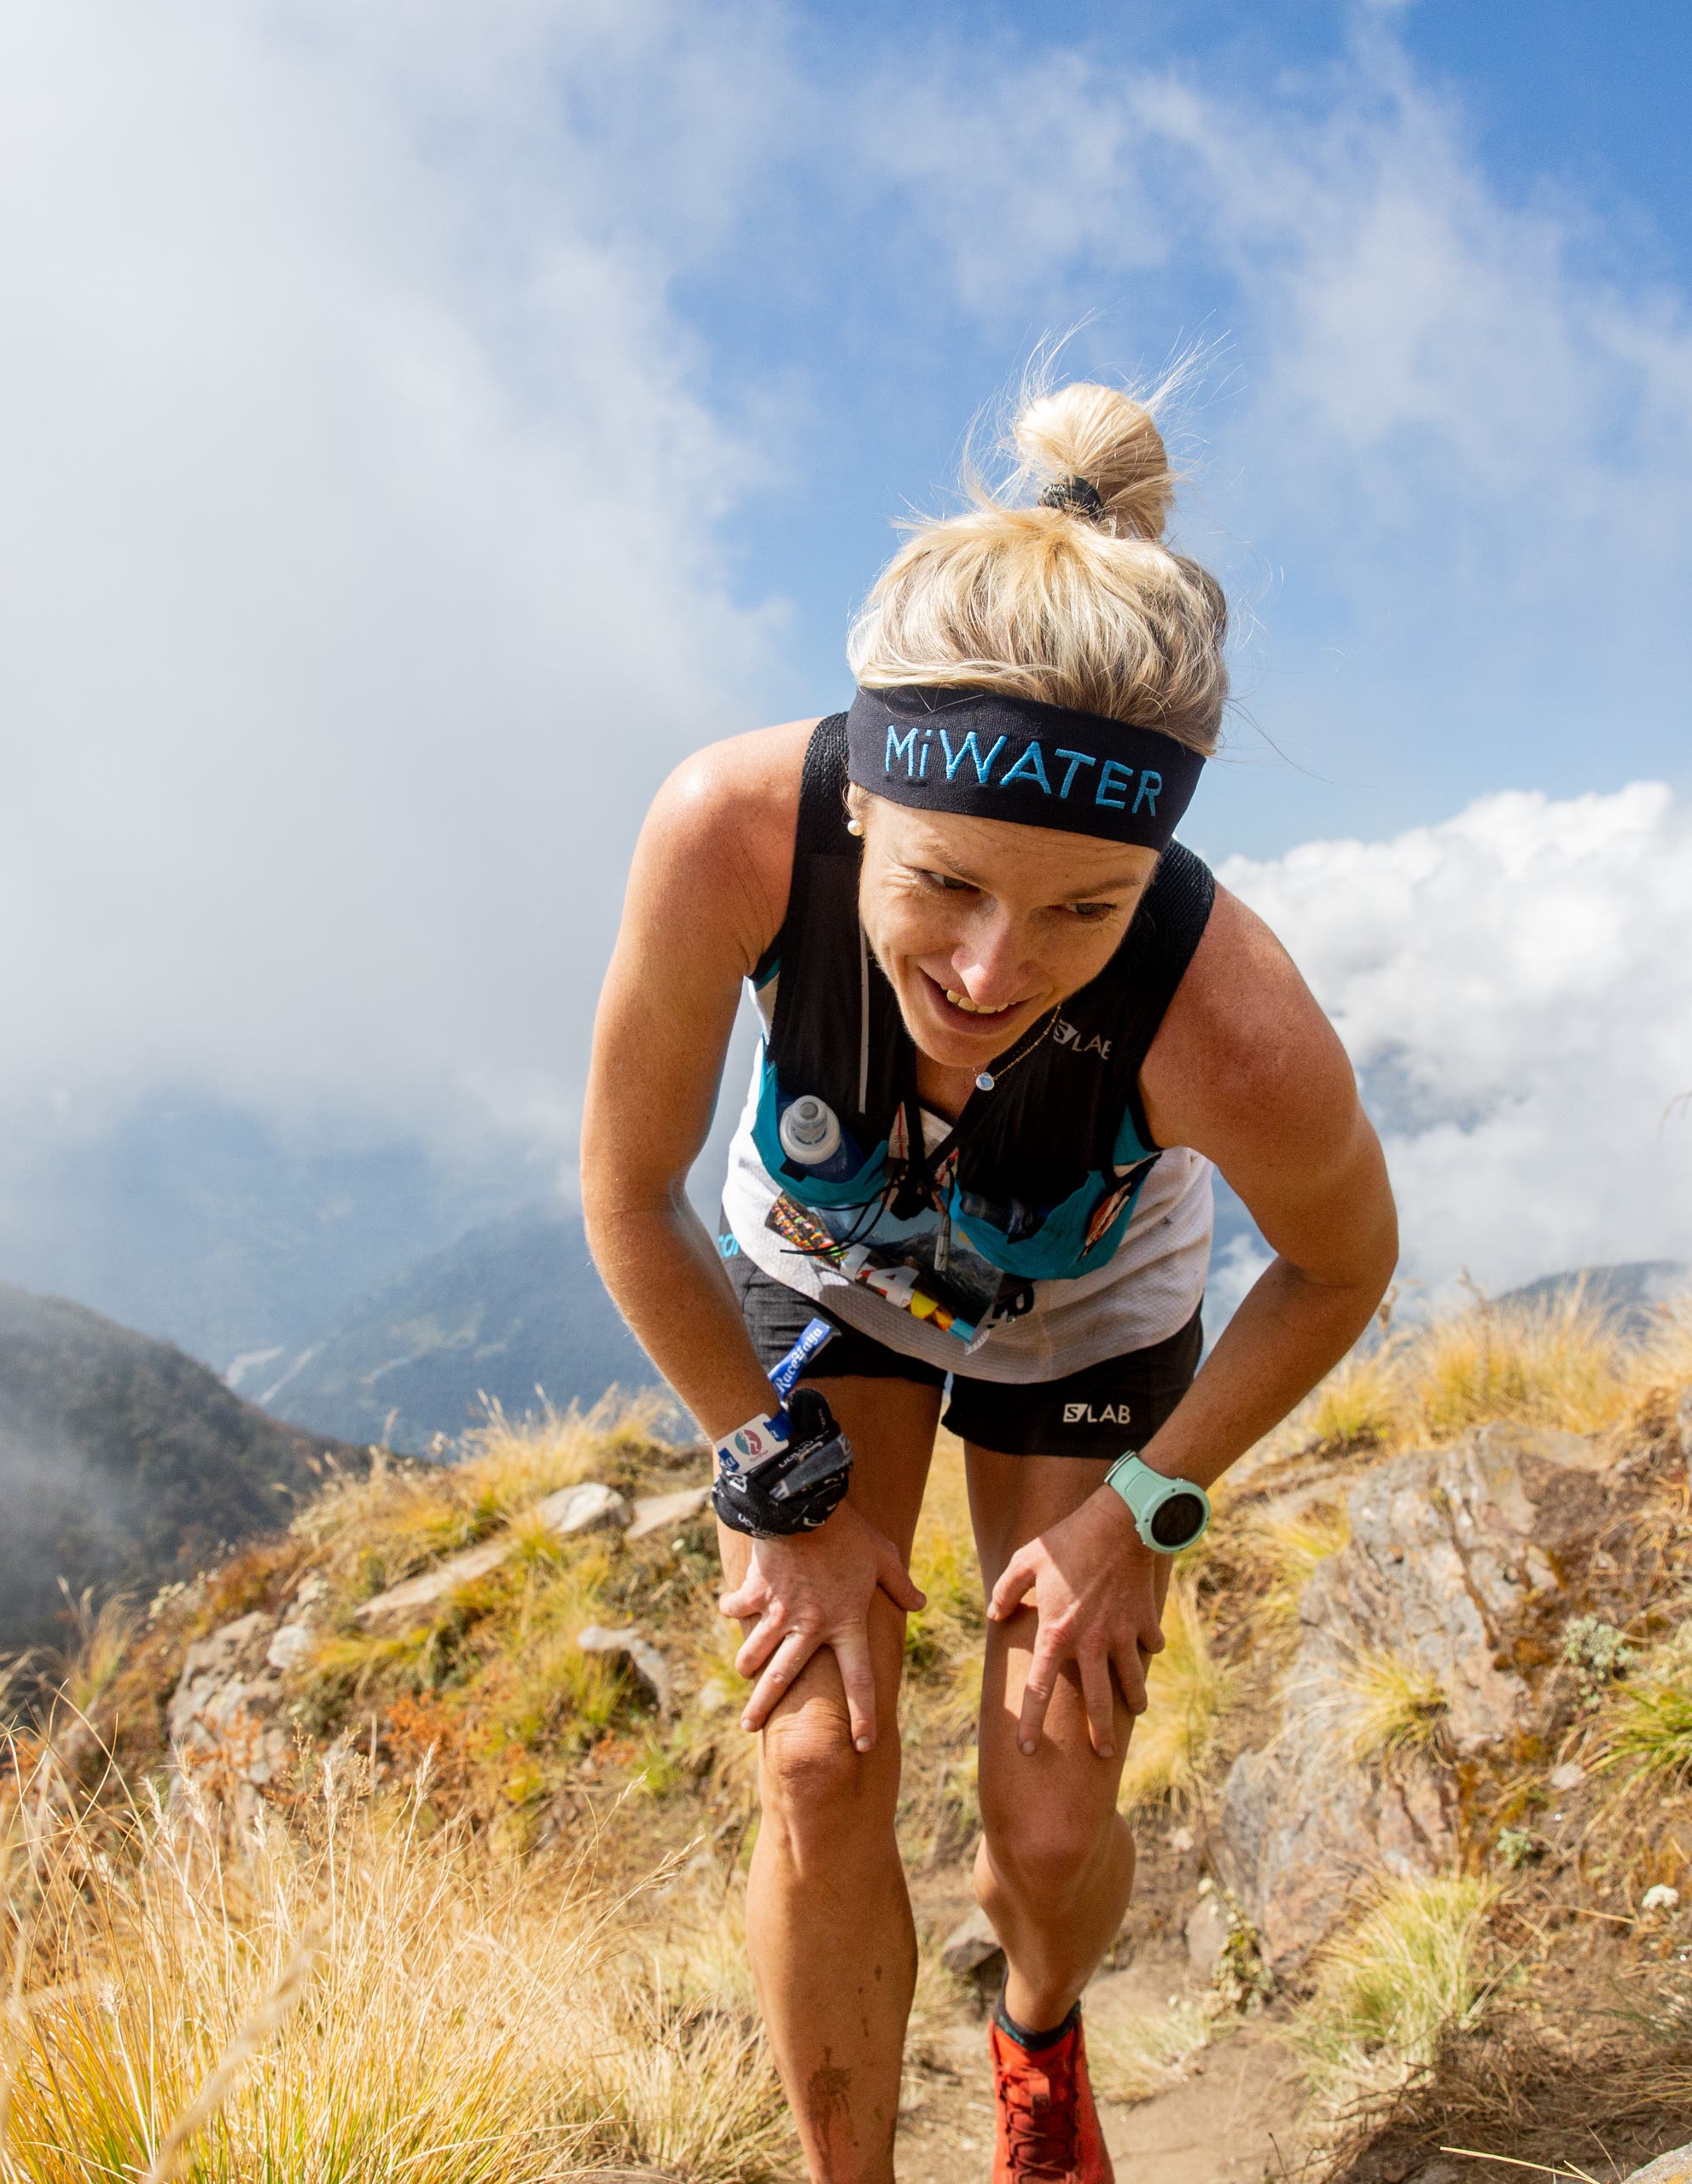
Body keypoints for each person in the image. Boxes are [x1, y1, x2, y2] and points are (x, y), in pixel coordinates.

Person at [580, 379, 1397, 2184]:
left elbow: (1346, 1264)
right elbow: (626, 1194)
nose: (987, 970)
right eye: (943, 883)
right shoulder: (730, 833)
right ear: (861, 800)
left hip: (1091, 1324)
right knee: (815, 1757)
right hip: (822, 1279)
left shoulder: (1228, 1020)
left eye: (1084, 911)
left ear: (1152, 872)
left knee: (1045, 1823)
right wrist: (769, 1477)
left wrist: (1144, 1506)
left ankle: (1038, 2029)